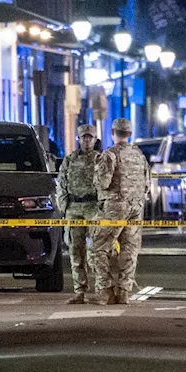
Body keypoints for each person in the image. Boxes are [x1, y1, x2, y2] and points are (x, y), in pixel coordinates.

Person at [88, 117, 151, 305]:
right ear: (130, 134)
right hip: (136, 207)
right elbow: (147, 184)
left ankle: (105, 291)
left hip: (114, 207)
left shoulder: (110, 154)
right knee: (130, 249)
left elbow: (102, 182)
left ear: (112, 133)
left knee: (98, 247)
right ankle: (123, 291)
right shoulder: (139, 156)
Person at [54, 124, 102, 304]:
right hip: (74, 207)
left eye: (90, 137)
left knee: (96, 249)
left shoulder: (100, 160)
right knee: (75, 249)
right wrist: (64, 208)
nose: (87, 140)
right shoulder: (70, 159)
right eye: (83, 137)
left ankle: (101, 289)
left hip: (93, 207)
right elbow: (62, 184)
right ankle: (80, 290)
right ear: (79, 139)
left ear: (95, 139)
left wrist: (103, 207)